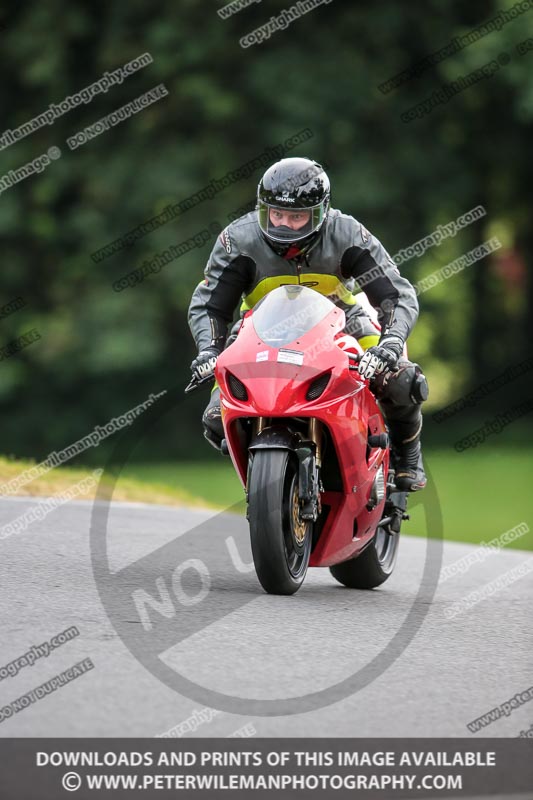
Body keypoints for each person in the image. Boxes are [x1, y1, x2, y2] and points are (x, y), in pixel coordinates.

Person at [188, 157, 428, 491]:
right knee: (217, 418)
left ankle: (407, 455)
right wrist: (209, 349)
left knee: (403, 381)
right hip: (256, 334)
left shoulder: (348, 233)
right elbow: (209, 305)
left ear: (320, 212)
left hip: (345, 325)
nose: (284, 226)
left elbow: (396, 294)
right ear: (263, 209)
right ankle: (267, 484)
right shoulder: (237, 241)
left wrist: (390, 344)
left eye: (297, 217)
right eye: (276, 214)